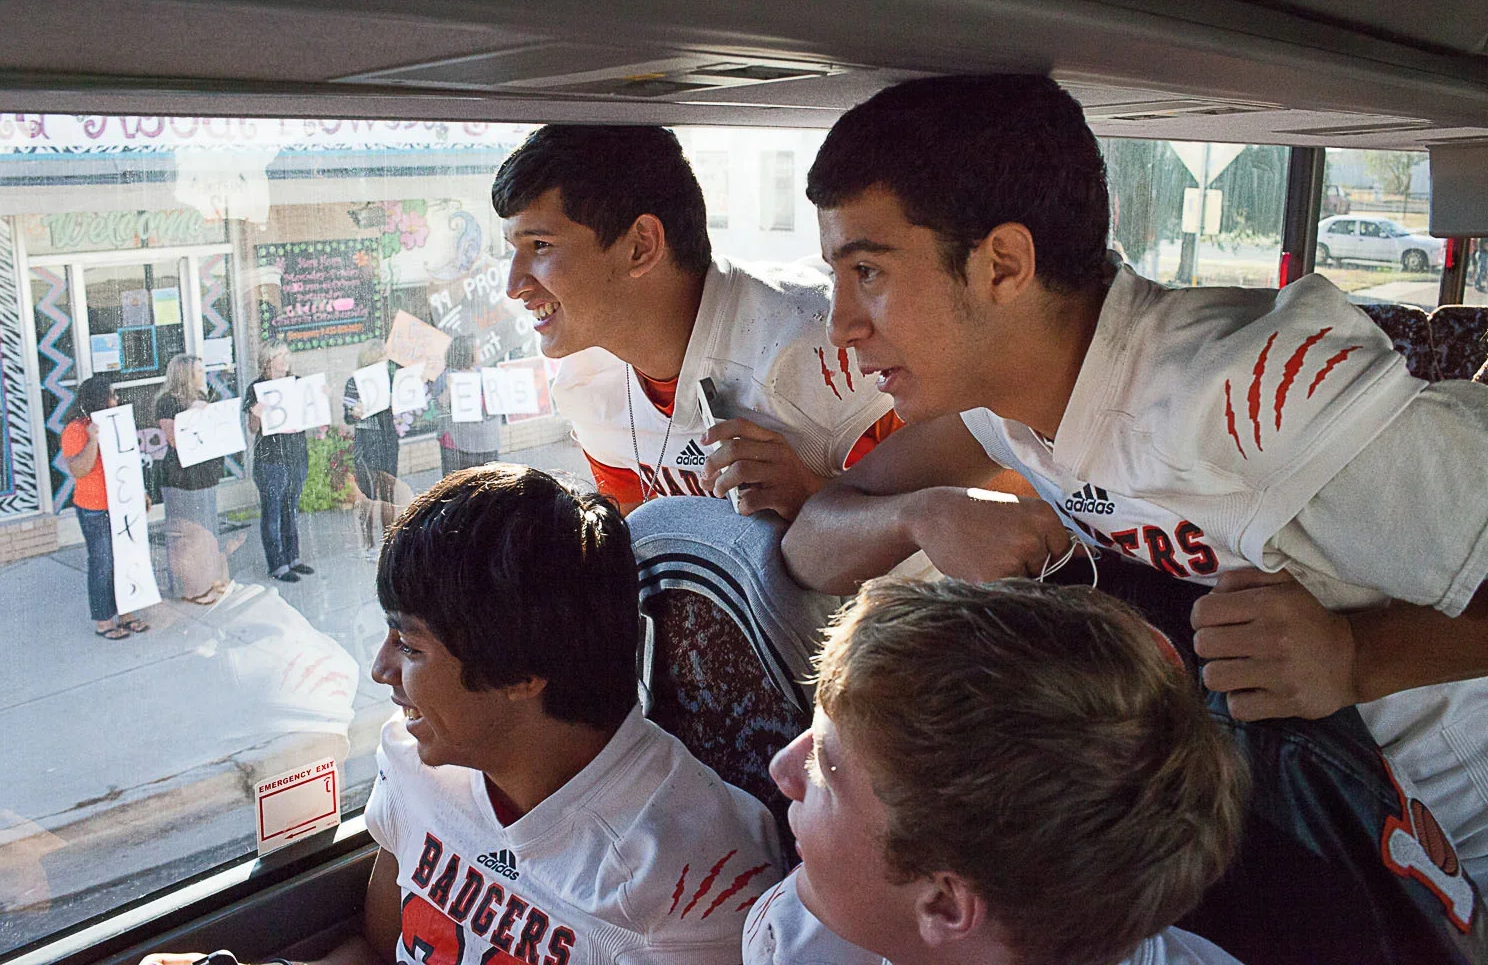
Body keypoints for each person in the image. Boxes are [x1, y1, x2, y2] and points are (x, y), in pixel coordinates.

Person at [776, 74, 1488, 932]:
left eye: (868, 272)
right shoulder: (1001, 412)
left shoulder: (1252, 397)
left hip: (1449, 822)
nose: (841, 322)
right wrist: (919, 516)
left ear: (1003, 263)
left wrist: (1354, 654)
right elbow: (811, 544)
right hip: (1262, 808)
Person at [141, 463, 782, 965]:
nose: (381, 670)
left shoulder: (685, 883)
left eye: (411, 645)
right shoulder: (417, 764)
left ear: (521, 671)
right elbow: (379, 951)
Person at [745, 578, 1247, 965]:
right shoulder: (808, 923)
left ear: (944, 904)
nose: (781, 767)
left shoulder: (816, 932)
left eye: (824, 770)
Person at [491, 124, 907, 519]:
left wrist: (813, 501)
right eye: (513, 249)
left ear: (641, 246)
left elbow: (930, 547)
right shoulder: (586, 386)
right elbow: (641, 554)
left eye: (540, 245)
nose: (514, 286)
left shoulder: (835, 351)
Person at [60, 374, 150, 638]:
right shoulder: (75, 430)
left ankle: (127, 614)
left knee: (126, 558)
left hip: (122, 503)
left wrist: (140, 491)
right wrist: (93, 439)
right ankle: (103, 621)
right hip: (94, 506)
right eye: (112, 394)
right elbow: (79, 469)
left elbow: (129, 461)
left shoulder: (118, 423)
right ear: (99, 399)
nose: (116, 399)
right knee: (102, 562)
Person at [156, 354, 232, 604]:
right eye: (199, 371)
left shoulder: (203, 397)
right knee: (187, 534)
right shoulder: (167, 402)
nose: (204, 375)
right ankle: (190, 588)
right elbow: (173, 439)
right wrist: (193, 413)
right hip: (182, 474)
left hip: (204, 471)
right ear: (186, 375)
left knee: (206, 528)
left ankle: (209, 580)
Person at [242, 341, 312, 583]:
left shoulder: (297, 382)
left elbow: (309, 413)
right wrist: (256, 416)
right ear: (267, 361)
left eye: (285, 354)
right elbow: (252, 430)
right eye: (277, 356)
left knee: (290, 509)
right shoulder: (256, 388)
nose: (284, 359)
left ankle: (293, 557)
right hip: (271, 460)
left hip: (296, 455)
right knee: (272, 513)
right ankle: (277, 564)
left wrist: (318, 401)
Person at [343, 339, 400, 553]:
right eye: (380, 357)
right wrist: (354, 412)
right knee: (367, 494)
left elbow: (406, 404)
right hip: (366, 443)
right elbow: (348, 416)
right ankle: (368, 544)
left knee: (388, 493)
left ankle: (388, 541)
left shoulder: (390, 378)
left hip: (388, 440)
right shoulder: (354, 382)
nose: (384, 361)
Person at [432, 334, 502, 476]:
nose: (480, 350)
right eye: (476, 348)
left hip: (486, 442)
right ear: (466, 352)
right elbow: (439, 407)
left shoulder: (487, 375)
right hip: (457, 444)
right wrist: (450, 388)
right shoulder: (446, 376)